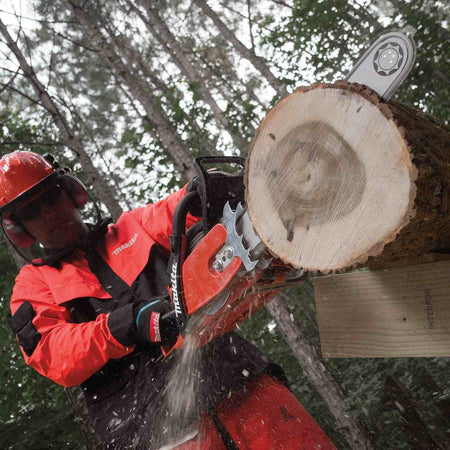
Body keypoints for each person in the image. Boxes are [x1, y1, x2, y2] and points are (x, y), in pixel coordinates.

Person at [1, 150, 335, 449]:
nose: (48, 213)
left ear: (71, 193)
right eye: (32, 210)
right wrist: (127, 325)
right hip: (153, 432)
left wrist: (208, 194)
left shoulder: (132, 229)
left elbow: (175, 211)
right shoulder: (34, 284)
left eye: (50, 198)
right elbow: (52, 353)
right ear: (20, 228)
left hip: (240, 383)